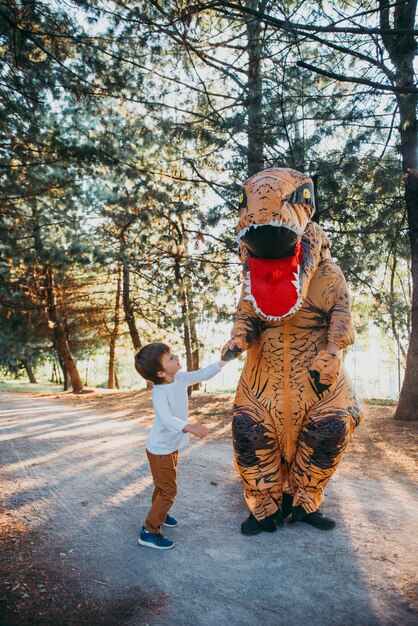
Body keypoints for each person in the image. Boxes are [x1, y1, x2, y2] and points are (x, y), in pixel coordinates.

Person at [134, 342, 227, 550]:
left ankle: (161, 512)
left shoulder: (180, 378)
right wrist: (189, 427)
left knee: (163, 485)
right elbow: (166, 419)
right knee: (168, 489)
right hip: (160, 449)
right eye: (170, 358)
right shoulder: (159, 393)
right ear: (161, 372)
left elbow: (201, 374)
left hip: (170, 446)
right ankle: (149, 531)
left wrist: (223, 361)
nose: (176, 356)